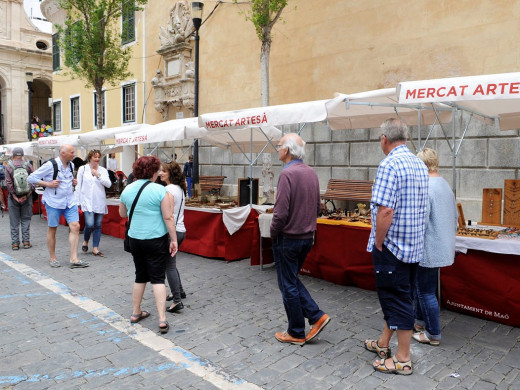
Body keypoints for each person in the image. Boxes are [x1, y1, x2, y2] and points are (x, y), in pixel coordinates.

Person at [364, 119, 429, 375]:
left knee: (396, 298)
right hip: (413, 245)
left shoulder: (389, 164)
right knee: (401, 294)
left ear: (384, 139)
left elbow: (386, 210)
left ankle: (402, 359)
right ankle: (383, 344)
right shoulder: (419, 164)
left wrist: (378, 241)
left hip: (392, 246)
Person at [270, 133, 330, 346]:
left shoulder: (287, 174)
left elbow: (280, 212)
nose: (277, 149)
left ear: (286, 150)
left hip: (288, 237)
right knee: (290, 280)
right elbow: (317, 207)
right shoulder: (311, 173)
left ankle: (298, 329)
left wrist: (272, 231)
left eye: (278, 146)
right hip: (307, 236)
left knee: (288, 283)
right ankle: (314, 317)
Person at [119, 156, 178, 334]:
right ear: (153, 171)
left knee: (140, 276)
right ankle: (162, 319)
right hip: (155, 239)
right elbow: (168, 218)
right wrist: (174, 239)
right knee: (158, 278)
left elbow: (122, 214)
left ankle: (136, 312)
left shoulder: (127, 189)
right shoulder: (161, 191)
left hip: (135, 238)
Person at [413, 148, 457, 346]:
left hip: (429, 246)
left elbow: (421, 220)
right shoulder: (444, 184)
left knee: (425, 290)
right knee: (424, 287)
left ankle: (433, 333)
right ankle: (420, 322)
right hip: (442, 243)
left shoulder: (426, 186)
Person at [28, 144, 89, 269]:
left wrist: (73, 182)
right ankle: (53, 258)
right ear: (63, 153)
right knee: (53, 229)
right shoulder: (50, 165)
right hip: (54, 202)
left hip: (69, 201)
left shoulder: (71, 165)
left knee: (75, 226)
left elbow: (68, 180)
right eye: (72, 152)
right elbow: (31, 178)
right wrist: (48, 184)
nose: (74, 154)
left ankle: (74, 258)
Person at [159, 161, 187, 313]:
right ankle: (180, 290)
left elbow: (168, 215)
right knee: (172, 264)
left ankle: (177, 300)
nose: (160, 173)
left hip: (173, 232)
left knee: (168, 266)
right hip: (181, 229)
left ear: (171, 174)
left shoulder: (168, 190)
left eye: (163, 171)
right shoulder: (180, 189)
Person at [76, 150, 112, 257]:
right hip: (86, 201)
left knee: (98, 225)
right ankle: (86, 241)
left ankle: (95, 248)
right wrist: (78, 201)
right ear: (90, 158)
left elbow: (109, 184)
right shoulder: (83, 169)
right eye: (95, 157)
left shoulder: (103, 170)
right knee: (89, 223)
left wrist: (98, 175)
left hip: (99, 200)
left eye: (98, 157)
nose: (97, 159)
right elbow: (78, 185)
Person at [5, 147, 34, 250]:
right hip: (27, 196)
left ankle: (15, 243)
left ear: (13, 154)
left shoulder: (9, 166)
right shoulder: (28, 165)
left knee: (14, 221)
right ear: (22, 154)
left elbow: (8, 183)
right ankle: (26, 242)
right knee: (26, 219)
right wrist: (27, 194)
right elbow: (33, 180)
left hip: (13, 198)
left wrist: (14, 196)